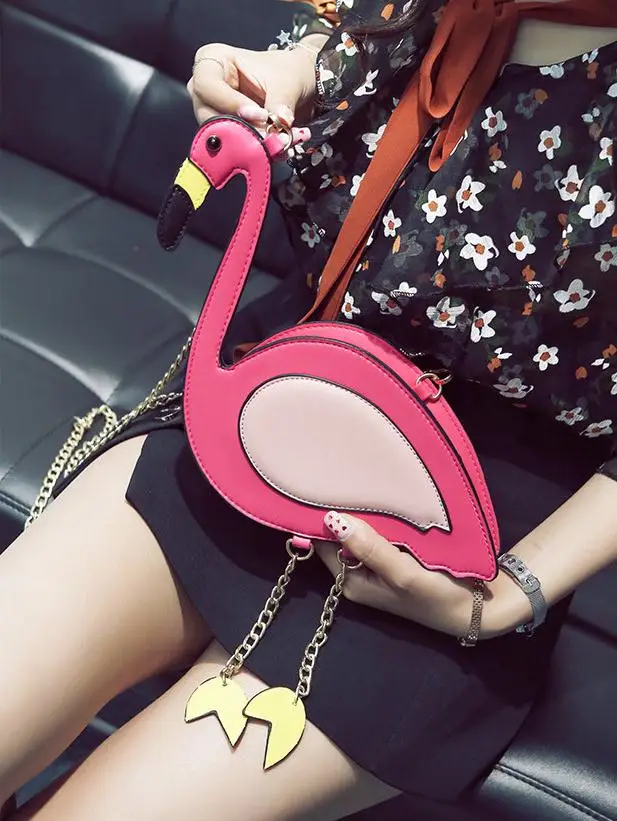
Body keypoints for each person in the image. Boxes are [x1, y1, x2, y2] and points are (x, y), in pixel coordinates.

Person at [2, 0, 617, 818]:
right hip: (279, 398)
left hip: (470, 525)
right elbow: (354, 38)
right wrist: (282, 76)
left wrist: (508, 593)